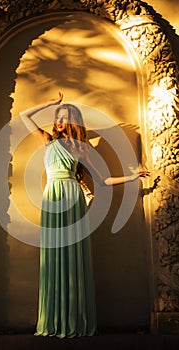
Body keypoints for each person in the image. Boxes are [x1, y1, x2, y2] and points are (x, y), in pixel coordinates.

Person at [19, 92, 149, 338]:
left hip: (72, 196)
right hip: (52, 198)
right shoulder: (46, 140)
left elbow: (101, 181)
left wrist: (131, 177)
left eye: (65, 117)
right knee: (53, 256)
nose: (59, 121)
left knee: (72, 254)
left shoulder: (82, 149)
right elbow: (24, 115)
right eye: (58, 116)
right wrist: (49, 104)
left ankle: (74, 319)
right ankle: (53, 320)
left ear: (73, 122)